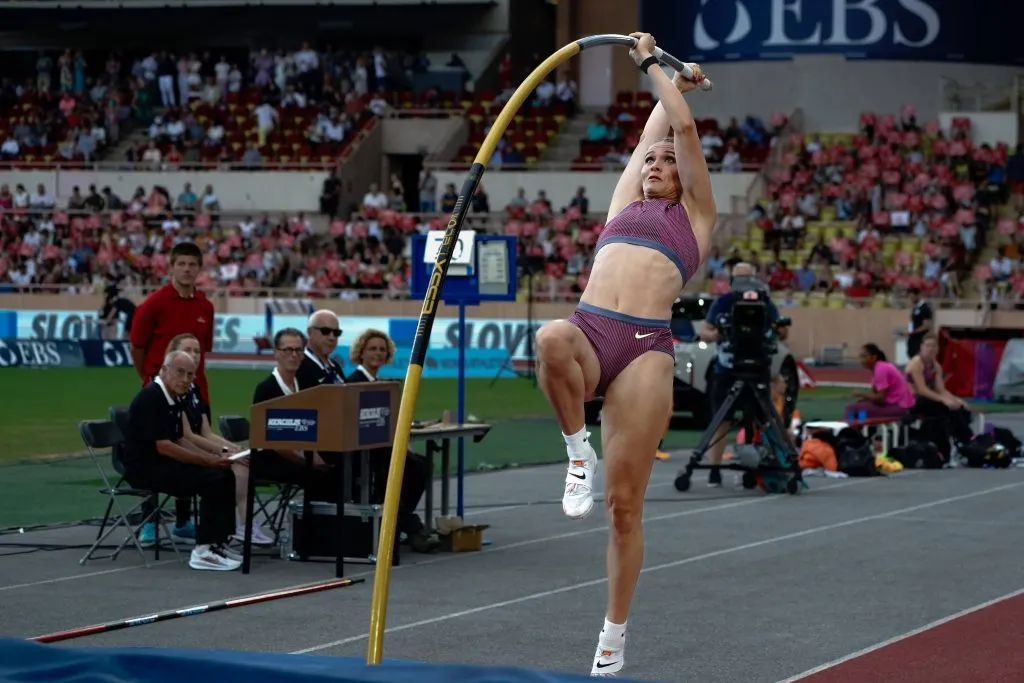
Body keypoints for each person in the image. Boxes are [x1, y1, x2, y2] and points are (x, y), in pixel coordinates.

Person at [533, 32, 716, 678]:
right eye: (648, 161)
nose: (653, 164)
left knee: (623, 508)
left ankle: (612, 635)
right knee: (548, 338)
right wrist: (674, 82)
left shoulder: (695, 218)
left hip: (643, 350)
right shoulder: (622, 204)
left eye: (665, 162)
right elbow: (657, 131)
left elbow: (682, 130)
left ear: (684, 175)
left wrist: (650, 65)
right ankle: (576, 450)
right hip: (590, 330)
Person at [121, 350, 240, 571]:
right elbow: (164, 446)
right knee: (213, 479)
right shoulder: (151, 397)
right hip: (145, 469)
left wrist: (214, 457)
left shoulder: (174, 398)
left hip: (162, 463)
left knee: (223, 474)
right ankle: (203, 550)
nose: (185, 379)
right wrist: (207, 461)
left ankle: (217, 541)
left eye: (190, 374)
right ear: (164, 370)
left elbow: (180, 440)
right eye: (180, 372)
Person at [166, 333, 272, 546]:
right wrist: (224, 452)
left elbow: (205, 431)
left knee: (243, 461)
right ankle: (234, 528)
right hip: (183, 451)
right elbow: (187, 436)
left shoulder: (194, 387)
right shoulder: (176, 388)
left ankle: (244, 525)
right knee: (235, 469)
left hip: (196, 445)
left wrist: (235, 448)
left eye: (197, 351)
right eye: (188, 350)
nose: (194, 355)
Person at [345, 329, 437, 553]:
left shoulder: (379, 383)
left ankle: (399, 520)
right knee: (414, 467)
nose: (377, 353)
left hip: (379, 447)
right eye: (372, 349)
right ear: (361, 353)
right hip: (362, 452)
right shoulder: (354, 382)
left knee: (422, 464)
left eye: (382, 350)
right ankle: (406, 524)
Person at [700, 262, 788, 487]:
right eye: (738, 279)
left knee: (761, 419)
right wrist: (717, 334)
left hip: (758, 367)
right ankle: (714, 470)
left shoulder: (764, 302)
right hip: (727, 368)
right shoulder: (723, 302)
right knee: (722, 420)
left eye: (746, 278)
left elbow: (782, 330)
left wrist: (776, 329)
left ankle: (761, 465)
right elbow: (705, 331)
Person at [249, 328, 336, 510]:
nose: (293, 355)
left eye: (298, 350)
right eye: (288, 350)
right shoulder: (266, 389)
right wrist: (307, 461)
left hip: (300, 451)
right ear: (276, 353)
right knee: (319, 475)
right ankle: (307, 524)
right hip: (270, 457)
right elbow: (274, 443)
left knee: (338, 466)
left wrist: (315, 457)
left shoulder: (305, 385)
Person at [130, 241, 215, 407]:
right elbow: (137, 347)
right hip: (161, 391)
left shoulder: (206, 307)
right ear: (172, 268)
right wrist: (149, 378)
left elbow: (203, 350)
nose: (187, 269)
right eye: (181, 264)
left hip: (196, 392)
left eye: (192, 264)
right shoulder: (154, 304)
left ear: (199, 269)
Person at [905, 333, 974, 450]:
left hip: (928, 399)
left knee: (959, 407)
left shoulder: (936, 366)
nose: (931, 349)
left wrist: (957, 400)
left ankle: (959, 441)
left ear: (937, 348)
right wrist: (944, 400)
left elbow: (941, 390)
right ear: (921, 347)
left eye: (934, 346)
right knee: (945, 407)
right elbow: (922, 390)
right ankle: (966, 439)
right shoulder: (916, 363)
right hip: (913, 400)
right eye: (928, 345)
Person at [845, 344, 915, 419]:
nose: (861, 360)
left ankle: (853, 425)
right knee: (859, 407)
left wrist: (861, 394)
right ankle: (861, 425)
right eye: (860, 357)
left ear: (874, 357)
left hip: (899, 407)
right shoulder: (879, 368)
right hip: (898, 404)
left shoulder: (881, 369)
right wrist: (866, 399)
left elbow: (880, 399)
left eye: (864, 356)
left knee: (851, 409)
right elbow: (876, 394)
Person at [296, 309, 346, 388]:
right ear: (310, 332)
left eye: (336, 333)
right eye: (325, 331)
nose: (332, 337)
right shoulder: (298, 366)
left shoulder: (335, 366)